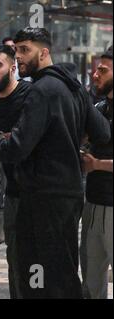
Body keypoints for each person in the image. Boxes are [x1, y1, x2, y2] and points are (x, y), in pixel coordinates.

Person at [0, 28, 111, 298]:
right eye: (16, 50)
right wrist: (67, 139)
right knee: (63, 270)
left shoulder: (41, 90)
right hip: (70, 193)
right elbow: (102, 132)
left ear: (44, 52)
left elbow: (18, 147)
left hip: (42, 197)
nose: (18, 57)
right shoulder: (73, 85)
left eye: (25, 50)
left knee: (38, 276)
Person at [0, 44, 32, 298]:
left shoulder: (30, 96)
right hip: (12, 191)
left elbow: (18, 145)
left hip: (39, 194)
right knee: (15, 260)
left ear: (13, 66)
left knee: (39, 262)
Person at [80, 46, 113, 299]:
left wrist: (97, 165)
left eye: (103, 70)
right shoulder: (99, 108)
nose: (95, 74)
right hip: (92, 204)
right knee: (91, 281)